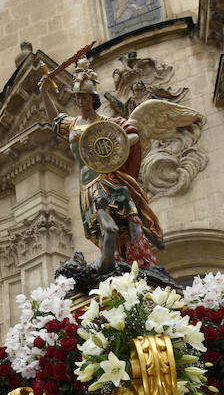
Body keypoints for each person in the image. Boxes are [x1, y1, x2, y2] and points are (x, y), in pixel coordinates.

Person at [39, 57, 163, 273]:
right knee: (98, 230)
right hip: (86, 184)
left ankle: (135, 260)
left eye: (85, 97)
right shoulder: (73, 124)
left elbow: (134, 136)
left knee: (123, 219)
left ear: (93, 99)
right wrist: (44, 93)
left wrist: (119, 141)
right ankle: (114, 262)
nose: (81, 102)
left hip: (108, 179)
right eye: (78, 97)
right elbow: (55, 119)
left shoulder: (108, 123)